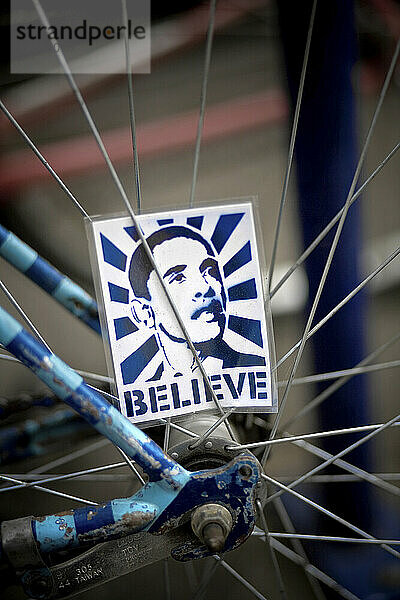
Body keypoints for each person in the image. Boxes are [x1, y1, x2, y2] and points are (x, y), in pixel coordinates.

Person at [128, 225, 265, 381]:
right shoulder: (141, 400)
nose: (205, 287)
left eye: (210, 272)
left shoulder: (257, 369)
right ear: (143, 312)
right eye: (178, 278)